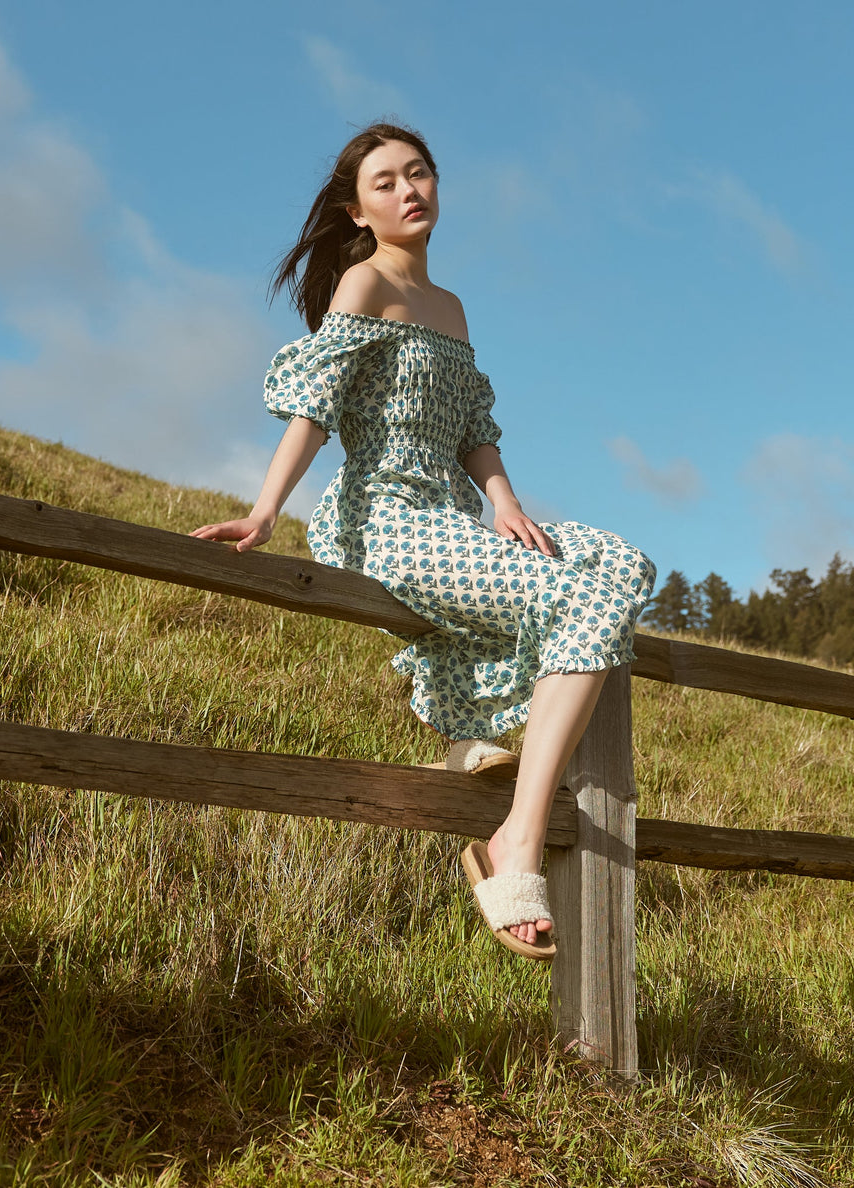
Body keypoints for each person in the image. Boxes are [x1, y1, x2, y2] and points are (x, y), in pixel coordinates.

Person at [192, 122, 655, 960]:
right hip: (387, 521)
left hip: (452, 515)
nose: (409, 190)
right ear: (356, 208)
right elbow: (315, 409)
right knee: (583, 597)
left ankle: (464, 732)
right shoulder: (362, 286)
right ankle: (515, 837)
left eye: (420, 174)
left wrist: (505, 502)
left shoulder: (452, 308)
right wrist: (263, 511)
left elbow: (475, 424)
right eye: (385, 182)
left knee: (618, 563)